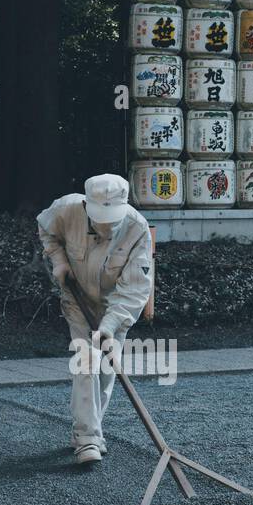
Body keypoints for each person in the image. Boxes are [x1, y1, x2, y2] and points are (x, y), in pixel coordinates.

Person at [36, 174, 154, 465]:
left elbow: (135, 289)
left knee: (105, 370)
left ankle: (90, 431)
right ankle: (87, 438)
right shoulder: (66, 210)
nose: (106, 225)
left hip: (115, 304)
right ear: (87, 206)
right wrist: (60, 261)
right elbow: (46, 231)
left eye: (112, 218)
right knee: (86, 360)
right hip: (76, 300)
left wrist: (110, 325)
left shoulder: (137, 229)